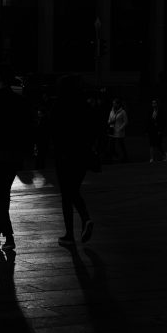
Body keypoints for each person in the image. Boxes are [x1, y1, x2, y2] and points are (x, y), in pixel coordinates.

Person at [0, 63, 33, 251]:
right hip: (13, 155)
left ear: (0, 78)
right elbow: (26, 128)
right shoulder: (19, 101)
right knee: (5, 194)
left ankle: (9, 236)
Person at [50, 75, 98, 246]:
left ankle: (70, 233)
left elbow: (54, 131)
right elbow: (93, 128)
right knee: (74, 190)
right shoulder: (83, 105)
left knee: (66, 194)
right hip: (82, 154)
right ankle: (85, 219)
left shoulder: (59, 106)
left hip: (65, 155)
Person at [107, 98, 129, 162]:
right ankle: (112, 157)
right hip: (112, 130)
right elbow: (108, 120)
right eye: (113, 103)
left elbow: (126, 122)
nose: (113, 105)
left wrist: (120, 128)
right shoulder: (111, 111)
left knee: (121, 145)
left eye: (115, 103)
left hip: (119, 131)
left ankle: (125, 157)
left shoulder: (123, 112)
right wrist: (110, 122)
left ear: (118, 104)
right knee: (111, 145)